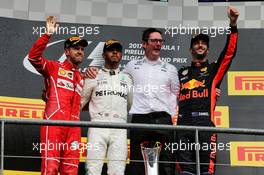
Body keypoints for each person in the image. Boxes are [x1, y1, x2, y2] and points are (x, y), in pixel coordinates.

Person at [85, 28, 179, 175]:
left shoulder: (171, 69)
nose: (158, 44)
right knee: (136, 166)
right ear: (144, 44)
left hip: (163, 120)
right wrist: (90, 71)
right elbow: (121, 91)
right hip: (139, 119)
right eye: (154, 40)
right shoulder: (130, 67)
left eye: (160, 41)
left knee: (166, 165)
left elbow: (176, 95)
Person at [176, 6, 239, 175]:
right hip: (183, 127)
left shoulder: (213, 71)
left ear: (208, 49)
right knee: (186, 172)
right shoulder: (180, 73)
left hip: (205, 127)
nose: (200, 45)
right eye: (196, 43)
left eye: (204, 43)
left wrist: (232, 25)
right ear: (190, 49)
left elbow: (228, 54)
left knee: (206, 172)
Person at [28, 16, 87, 175]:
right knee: (50, 169)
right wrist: (47, 34)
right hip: (54, 125)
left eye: (82, 49)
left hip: (74, 129)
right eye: (76, 48)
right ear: (67, 51)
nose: (80, 51)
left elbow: (85, 104)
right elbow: (33, 58)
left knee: (71, 172)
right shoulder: (54, 67)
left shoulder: (82, 77)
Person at [80, 39, 133, 175]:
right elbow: (80, 103)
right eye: (111, 50)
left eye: (118, 50)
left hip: (120, 127)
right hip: (98, 126)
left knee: (117, 170)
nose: (115, 52)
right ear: (103, 55)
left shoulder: (127, 79)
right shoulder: (93, 75)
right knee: (93, 169)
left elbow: (130, 104)